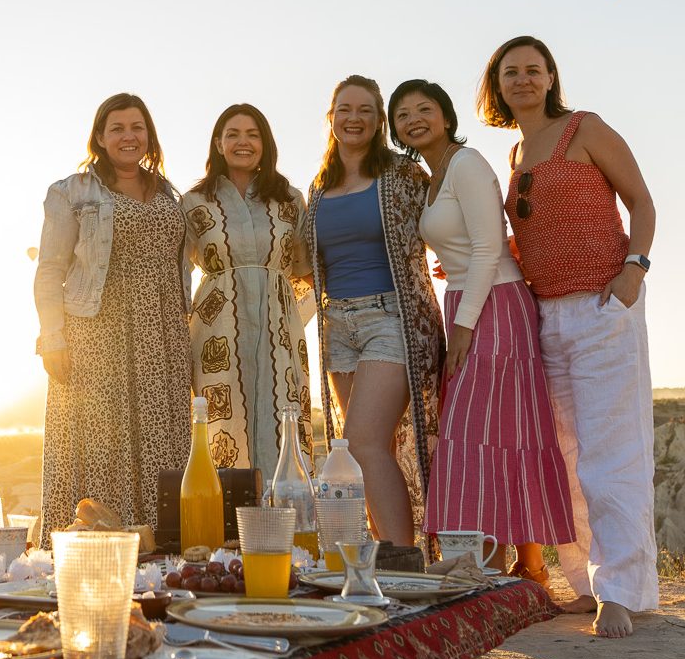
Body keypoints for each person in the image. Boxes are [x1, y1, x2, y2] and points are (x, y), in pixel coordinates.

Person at [477, 36, 658, 637]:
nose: (523, 80)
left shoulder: (585, 128)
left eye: (534, 70)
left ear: (552, 77)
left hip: (603, 304)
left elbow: (641, 202)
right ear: (497, 86)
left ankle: (621, 592)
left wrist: (634, 271)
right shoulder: (515, 153)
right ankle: (584, 584)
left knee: (612, 455)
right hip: (545, 315)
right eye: (511, 72)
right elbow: (538, 231)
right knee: (564, 457)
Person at [389, 79, 576, 584]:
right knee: (499, 428)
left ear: (446, 116)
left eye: (424, 109)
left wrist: (465, 325)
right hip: (467, 299)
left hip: (495, 303)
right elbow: (464, 244)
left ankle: (497, 565)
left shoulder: (466, 164)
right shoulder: (433, 176)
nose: (414, 120)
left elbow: (490, 247)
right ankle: (527, 565)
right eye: (403, 115)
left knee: (479, 429)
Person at [33, 92, 191, 547]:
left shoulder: (169, 193)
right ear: (100, 137)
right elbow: (50, 269)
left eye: (137, 127)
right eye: (117, 128)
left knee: (162, 437)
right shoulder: (72, 191)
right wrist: (52, 337)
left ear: (149, 135)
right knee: (99, 439)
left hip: (163, 333)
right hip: (96, 331)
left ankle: (160, 543)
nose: (128, 136)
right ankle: (90, 544)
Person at [303, 75, 445, 547]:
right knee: (361, 447)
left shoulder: (403, 175)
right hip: (337, 324)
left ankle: (403, 556)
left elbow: (446, 219)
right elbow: (307, 261)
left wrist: (460, 256)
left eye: (365, 110)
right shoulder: (319, 187)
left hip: (390, 317)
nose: (354, 118)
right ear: (331, 117)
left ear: (379, 120)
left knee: (362, 441)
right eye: (345, 109)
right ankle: (384, 554)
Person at [181, 104, 314, 481]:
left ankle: (285, 513)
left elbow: (307, 270)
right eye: (233, 134)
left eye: (253, 134)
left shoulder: (290, 199)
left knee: (284, 417)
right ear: (218, 144)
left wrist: (292, 317)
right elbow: (178, 273)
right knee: (221, 425)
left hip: (280, 331)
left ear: (265, 143)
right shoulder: (194, 201)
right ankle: (223, 516)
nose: (243, 142)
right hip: (215, 333)